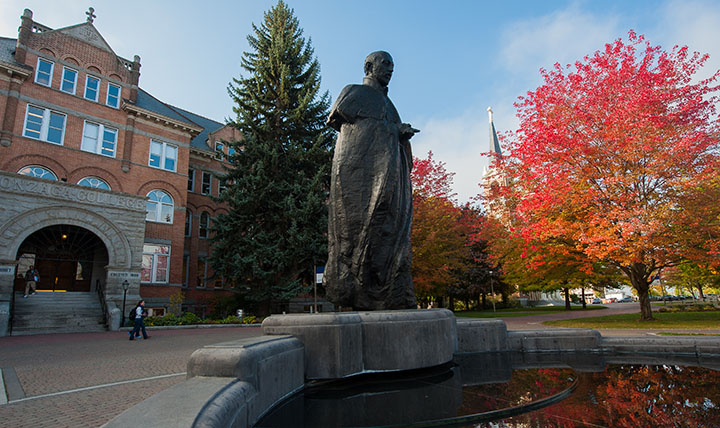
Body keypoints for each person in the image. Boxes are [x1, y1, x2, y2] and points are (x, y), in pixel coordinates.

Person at [323, 51, 418, 310]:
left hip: (389, 182)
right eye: (385, 64)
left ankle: (389, 292)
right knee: (359, 236)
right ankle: (359, 291)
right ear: (368, 66)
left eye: (393, 66)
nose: (390, 70)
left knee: (390, 233)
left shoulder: (390, 106)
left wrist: (400, 135)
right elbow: (347, 131)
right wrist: (392, 131)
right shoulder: (354, 93)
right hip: (360, 182)